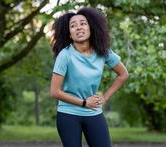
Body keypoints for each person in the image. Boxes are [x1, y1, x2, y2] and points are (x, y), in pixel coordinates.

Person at [50, 7, 129, 147]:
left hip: (93, 112)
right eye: (73, 26)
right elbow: (55, 92)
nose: (78, 27)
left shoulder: (103, 52)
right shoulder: (65, 55)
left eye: (83, 23)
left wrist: (105, 97)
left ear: (91, 28)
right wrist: (84, 103)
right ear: (69, 34)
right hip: (68, 113)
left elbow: (123, 74)